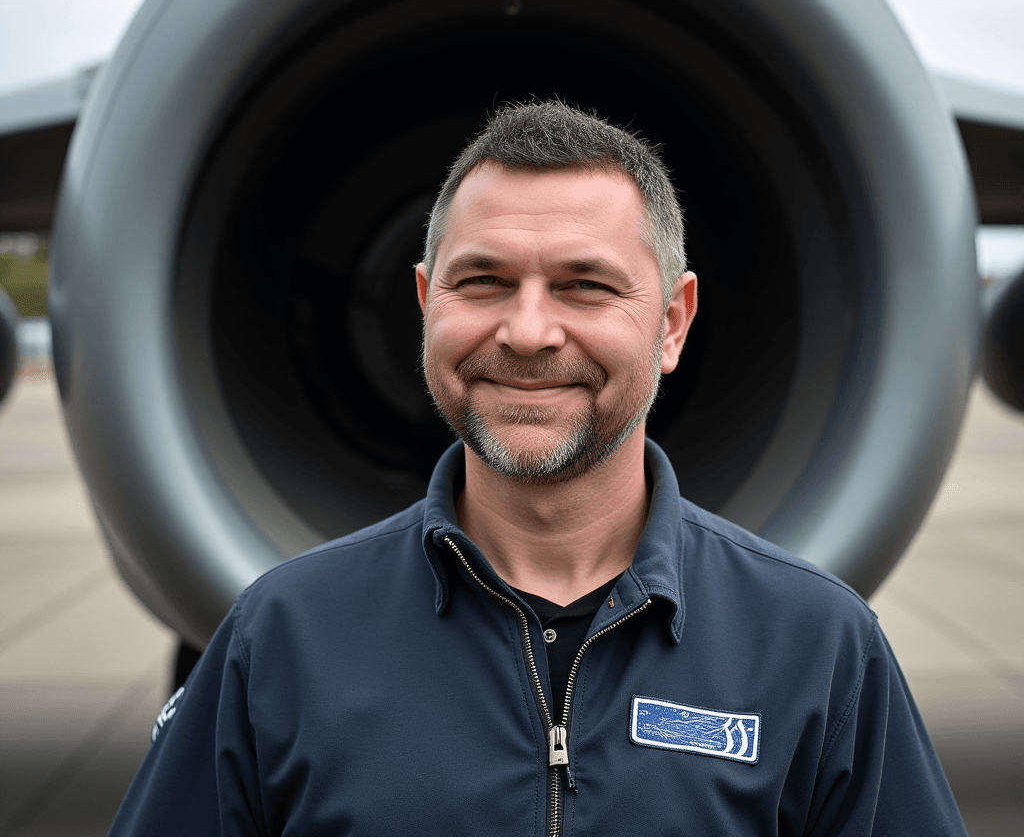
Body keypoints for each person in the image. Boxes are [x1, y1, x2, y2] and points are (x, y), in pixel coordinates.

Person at [110, 100, 966, 835]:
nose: (526, 333)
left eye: (585, 286)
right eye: (481, 281)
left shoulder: (816, 647)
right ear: (423, 305)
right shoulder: (282, 640)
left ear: (672, 322)